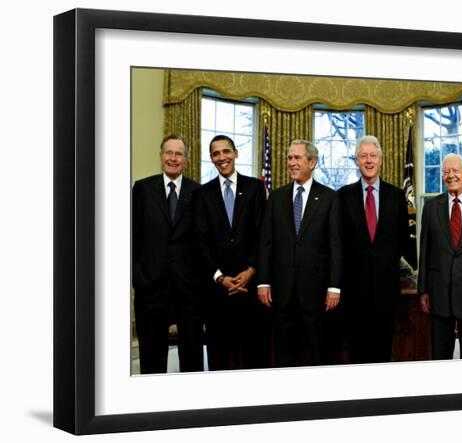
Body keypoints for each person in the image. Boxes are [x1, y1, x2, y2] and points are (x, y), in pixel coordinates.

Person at [257, 140, 342, 367]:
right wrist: (263, 281)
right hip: (282, 291)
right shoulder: (276, 197)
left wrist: (334, 286)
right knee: (285, 352)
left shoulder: (329, 198)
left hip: (316, 292)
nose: (292, 163)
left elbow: (335, 245)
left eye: (297, 158)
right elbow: (266, 242)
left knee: (317, 351)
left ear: (312, 162)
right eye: (289, 158)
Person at [194, 135, 270, 370]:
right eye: (216, 153)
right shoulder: (202, 193)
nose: (222, 157)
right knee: (218, 357)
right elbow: (200, 241)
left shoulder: (255, 187)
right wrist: (219, 277)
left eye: (226, 151)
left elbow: (263, 234)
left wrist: (250, 269)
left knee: (254, 356)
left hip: (250, 286)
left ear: (235, 153)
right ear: (211, 159)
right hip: (218, 291)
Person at [132, 135, 204, 374]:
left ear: (186, 159)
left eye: (179, 154)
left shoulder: (199, 192)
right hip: (150, 286)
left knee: (192, 355)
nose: (173, 158)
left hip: (189, 288)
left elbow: (203, 241)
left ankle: (190, 407)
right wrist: (137, 277)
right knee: (151, 355)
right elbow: (132, 236)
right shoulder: (142, 189)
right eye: (169, 153)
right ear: (161, 155)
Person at [338, 135, 413, 364]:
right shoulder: (343, 196)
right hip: (354, 291)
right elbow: (338, 241)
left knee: (383, 350)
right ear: (356, 161)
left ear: (380, 159)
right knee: (357, 351)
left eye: (373, 155)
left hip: (386, 290)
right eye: (363, 156)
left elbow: (403, 240)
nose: (368, 161)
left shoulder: (397, 196)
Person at [418, 153, 462, 360]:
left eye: (455, 170)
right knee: (440, 356)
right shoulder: (431, 208)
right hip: (439, 294)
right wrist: (423, 290)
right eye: (446, 172)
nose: (450, 175)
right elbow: (425, 249)